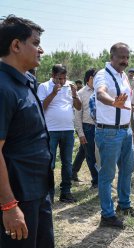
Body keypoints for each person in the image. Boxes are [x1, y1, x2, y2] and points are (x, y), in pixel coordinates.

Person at [0, 14, 54, 248]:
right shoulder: (3, 88)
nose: (40, 50)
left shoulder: (27, 81)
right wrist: (9, 206)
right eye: (35, 43)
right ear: (15, 45)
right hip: (18, 195)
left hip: (39, 189)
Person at [94, 42, 134, 229]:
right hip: (109, 132)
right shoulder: (102, 75)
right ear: (111, 56)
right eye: (121, 57)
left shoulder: (123, 75)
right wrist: (113, 103)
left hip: (125, 130)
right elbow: (100, 93)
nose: (124, 61)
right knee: (107, 175)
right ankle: (107, 215)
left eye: (127, 57)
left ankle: (124, 205)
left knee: (127, 169)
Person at [37, 64, 81, 203]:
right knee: (49, 163)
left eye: (64, 78)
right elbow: (40, 107)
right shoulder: (44, 87)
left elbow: (79, 107)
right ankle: (48, 194)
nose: (62, 81)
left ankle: (66, 192)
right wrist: (53, 93)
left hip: (68, 130)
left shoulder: (70, 86)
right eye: (59, 78)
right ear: (52, 76)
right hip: (50, 130)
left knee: (67, 163)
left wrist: (74, 94)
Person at [73, 68, 98, 188]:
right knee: (91, 155)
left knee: (85, 151)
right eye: (95, 77)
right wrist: (81, 133)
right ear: (89, 78)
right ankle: (96, 181)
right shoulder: (81, 93)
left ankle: (72, 172)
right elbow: (77, 115)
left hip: (101, 127)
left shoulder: (101, 91)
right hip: (88, 128)